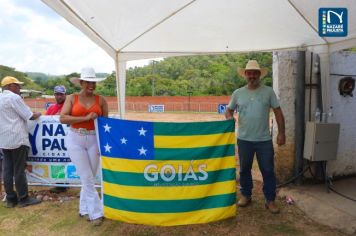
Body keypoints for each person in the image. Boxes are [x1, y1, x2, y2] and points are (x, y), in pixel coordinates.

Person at [225, 60, 286, 214]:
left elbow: (278, 111)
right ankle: (246, 195)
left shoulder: (268, 92)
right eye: (249, 73)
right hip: (244, 139)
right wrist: (229, 117)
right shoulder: (238, 93)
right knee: (245, 169)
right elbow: (229, 110)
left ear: (259, 75)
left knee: (268, 170)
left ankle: (270, 200)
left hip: (264, 140)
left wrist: (282, 133)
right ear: (245, 75)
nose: (252, 76)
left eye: (255, 73)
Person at [60, 67, 108, 226]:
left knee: (89, 177)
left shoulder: (101, 100)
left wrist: (104, 145)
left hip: (94, 139)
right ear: (81, 82)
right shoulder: (71, 98)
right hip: (75, 139)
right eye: (88, 82)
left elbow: (105, 124)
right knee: (87, 178)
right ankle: (96, 213)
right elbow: (63, 118)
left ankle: (84, 208)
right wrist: (85, 117)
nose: (91, 85)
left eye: (93, 82)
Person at [0, 76, 42, 208]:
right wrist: (38, 114)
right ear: (9, 86)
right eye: (17, 85)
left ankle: (11, 199)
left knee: (7, 169)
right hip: (17, 138)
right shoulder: (14, 98)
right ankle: (23, 198)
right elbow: (29, 115)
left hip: (4, 139)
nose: (19, 87)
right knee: (19, 169)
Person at [46, 85, 68, 194]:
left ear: (65, 95)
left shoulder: (69, 107)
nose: (59, 96)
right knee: (56, 160)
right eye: (57, 94)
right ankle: (60, 184)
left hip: (68, 139)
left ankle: (69, 181)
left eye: (61, 94)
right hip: (55, 141)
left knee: (68, 161)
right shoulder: (51, 108)